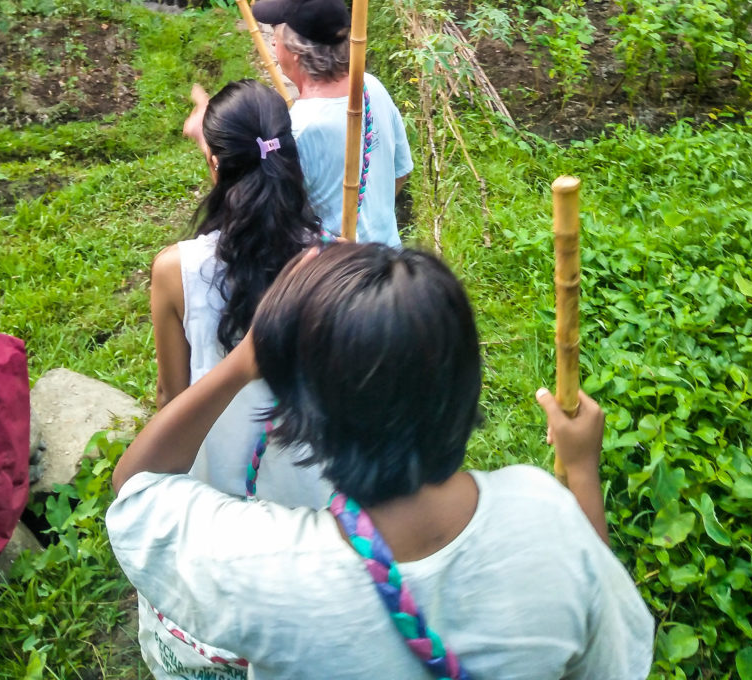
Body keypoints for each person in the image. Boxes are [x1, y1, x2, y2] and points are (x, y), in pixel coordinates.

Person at [109, 243, 655, 680]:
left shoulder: (260, 565)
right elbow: (607, 656)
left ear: (305, 416)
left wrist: (242, 362)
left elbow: (137, 485)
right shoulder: (546, 516)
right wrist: (581, 471)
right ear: (467, 383)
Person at [144, 79, 333, 680]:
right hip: (310, 485)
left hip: (215, 487)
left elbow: (174, 397)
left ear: (215, 165)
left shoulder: (176, 270)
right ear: (289, 152)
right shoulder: (335, 262)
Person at [252, 0, 413, 246]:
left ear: (296, 51)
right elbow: (401, 172)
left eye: (276, 34)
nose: (272, 42)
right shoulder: (371, 87)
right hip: (390, 258)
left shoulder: (298, 129)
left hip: (339, 269)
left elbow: (276, 225)